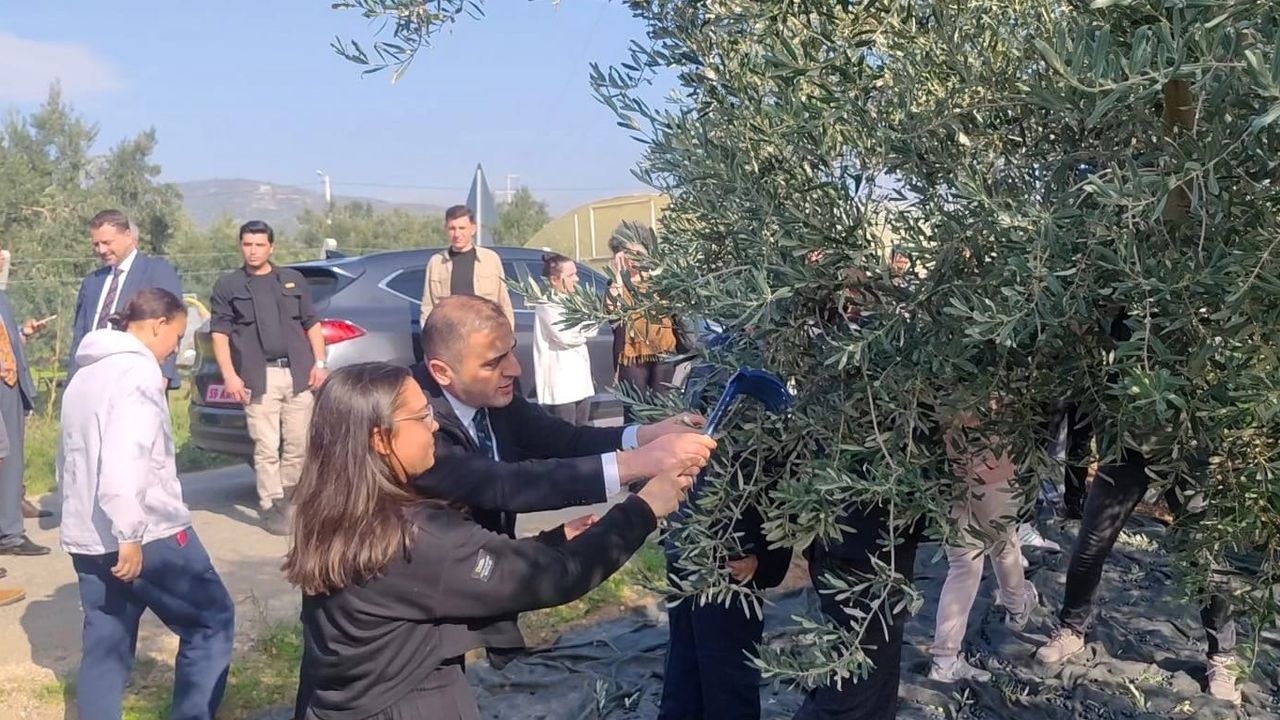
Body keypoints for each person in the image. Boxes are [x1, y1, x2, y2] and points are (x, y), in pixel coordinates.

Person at [286, 362, 711, 719]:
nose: (434, 425)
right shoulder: (413, 537)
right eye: (421, 417)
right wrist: (645, 508)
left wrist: (550, 541)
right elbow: (552, 578)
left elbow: (458, 573)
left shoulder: (336, 510)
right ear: (380, 439)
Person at [411, 295, 716, 660]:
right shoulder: (416, 425)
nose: (515, 369)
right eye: (494, 362)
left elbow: (563, 439)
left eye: (511, 351)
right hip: (415, 615)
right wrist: (638, 465)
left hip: (466, 591)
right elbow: (504, 484)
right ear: (442, 372)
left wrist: (645, 435)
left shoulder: (490, 395)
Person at [59, 288, 235, 720]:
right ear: (158, 325)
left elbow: (68, 461)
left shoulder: (85, 373)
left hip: (88, 536)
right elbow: (126, 456)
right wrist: (129, 533)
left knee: (106, 642)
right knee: (210, 621)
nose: (174, 349)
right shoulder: (137, 373)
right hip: (146, 531)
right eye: (175, 336)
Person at [210, 221, 328, 535]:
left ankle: (291, 498)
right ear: (240, 246)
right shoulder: (228, 285)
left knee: (299, 443)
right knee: (266, 447)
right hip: (258, 376)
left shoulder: (292, 280)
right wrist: (230, 376)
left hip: (298, 373)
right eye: (247, 244)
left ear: (271, 247)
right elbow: (219, 334)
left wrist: (319, 363)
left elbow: (311, 323)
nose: (253, 251)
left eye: (259, 245)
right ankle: (271, 505)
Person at [927, 409, 1038, 682]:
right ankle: (1017, 610)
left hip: (950, 473)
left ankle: (944, 661)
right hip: (991, 471)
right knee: (1005, 544)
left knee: (963, 566)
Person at [69, 209, 183, 389]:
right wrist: (73, 381)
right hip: (92, 379)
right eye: (96, 244)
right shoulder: (92, 282)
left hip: (138, 378)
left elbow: (171, 323)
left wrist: (162, 374)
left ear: (128, 236)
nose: (101, 250)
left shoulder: (156, 271)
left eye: (107, 243)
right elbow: (80, 336)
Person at [0, 272, 48, 557]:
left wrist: (24, 333)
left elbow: (6, 340)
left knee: (10, 461)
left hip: (8, 385)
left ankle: (9, 534)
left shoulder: (1, 298)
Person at [606, 229, 677, 419]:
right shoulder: (617, 283)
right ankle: (634, 437)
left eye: (639, 253)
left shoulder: (657, 279)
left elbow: (672, 304)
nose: (634, 260)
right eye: (629, 254)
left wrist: (650, 268)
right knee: (634, 409)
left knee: (661, 408)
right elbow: (612, 310)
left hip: (663, 350)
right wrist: (618, 274)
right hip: (632, 354)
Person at [419, 205, 515, 328]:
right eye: (452, 228)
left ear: (473, 229)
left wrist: (508, 335)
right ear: (446, 229)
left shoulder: (490, 260)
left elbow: (504, 304)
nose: (457, 234)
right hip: (449, 333)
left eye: (462, 228)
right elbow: (427, 308)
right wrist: (428, 336)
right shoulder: (436, 263)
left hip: (485, 332)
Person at [533, 252, 595, 424]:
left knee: (583, 429)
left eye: (576, 274)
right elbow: (565, 336)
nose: (576, 279)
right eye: (571, 275)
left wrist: (581, 330)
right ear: (554, 280)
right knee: (565, 429)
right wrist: (582, 331)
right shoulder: (547, 304)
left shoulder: (577, 300)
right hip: (561, 384)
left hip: (581, 380)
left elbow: (593, 328)